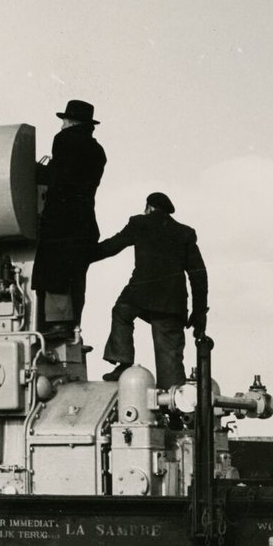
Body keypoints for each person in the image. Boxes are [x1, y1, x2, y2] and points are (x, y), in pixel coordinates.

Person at [91, 191, 208, 389]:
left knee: (121, 312)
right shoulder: (184, 232)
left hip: (139, 296)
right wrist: (199, 314)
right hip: (171, 303)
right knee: (169, 354)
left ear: (149, 207)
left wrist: (82, 255)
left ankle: (123, 361)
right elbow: (199, 275)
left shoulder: (139, 223)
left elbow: (112, 245)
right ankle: (173, 404)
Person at [32, 100, 106, 341]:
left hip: (62, 217)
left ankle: (57, 324)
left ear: (72, 122)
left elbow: (59, 176)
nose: (62, 124)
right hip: (85, 220)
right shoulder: (97, 151)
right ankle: (73, 324)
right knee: (75, 275)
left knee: (54, 269)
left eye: (64, 120)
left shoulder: (64, 140)